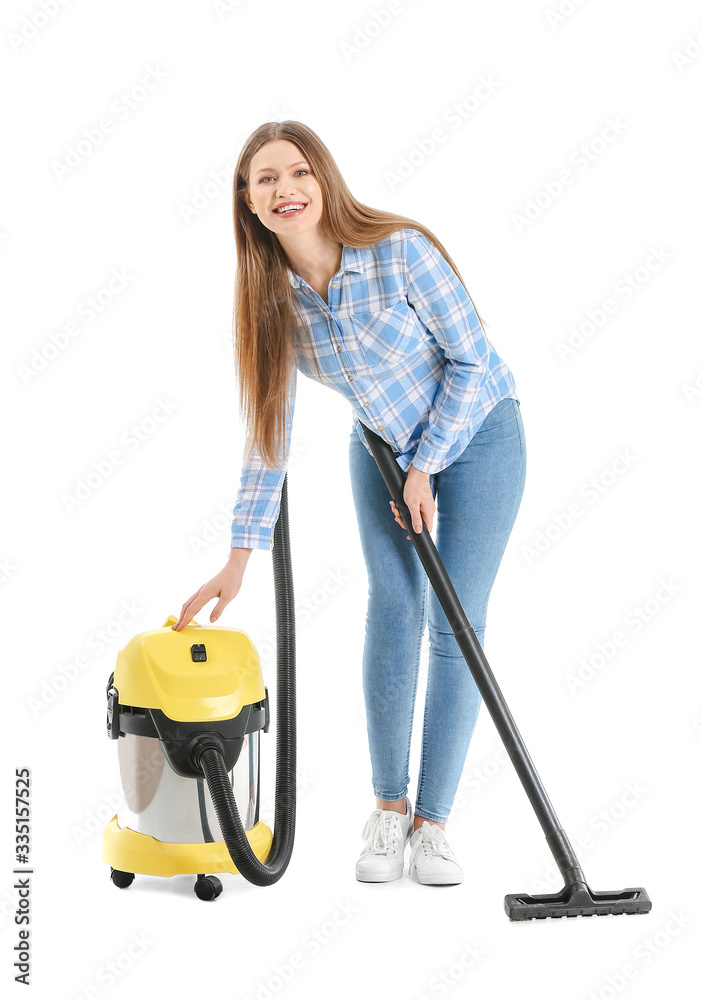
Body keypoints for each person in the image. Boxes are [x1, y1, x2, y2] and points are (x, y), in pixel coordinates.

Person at [173, 120, 526, 887]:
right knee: (393, 607)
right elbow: (269, 435)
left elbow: (474, 358)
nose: (285, 189)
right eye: (265, 179)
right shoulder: (271, 304)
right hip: (381, 455)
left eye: (297, 172)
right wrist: (239, 557)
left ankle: (434, 825)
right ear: (248, 203)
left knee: (454, 620)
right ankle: (389, 810)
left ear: (324, 180)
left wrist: (427, 466)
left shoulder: (399, 251)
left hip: (479, 438)